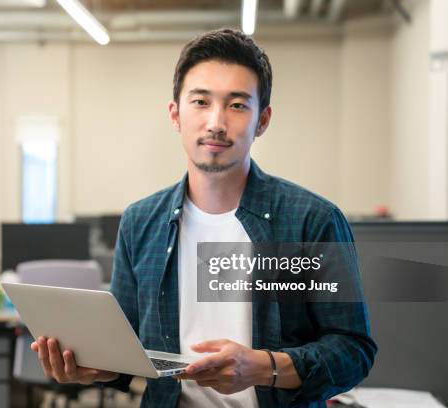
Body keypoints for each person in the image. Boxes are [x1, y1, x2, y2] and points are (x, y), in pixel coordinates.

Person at [31, 28, 377, 407]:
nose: (216, 121)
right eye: (200, 102)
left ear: (262, 120)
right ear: (175, 114)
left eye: (237, 105)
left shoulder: (312, 221)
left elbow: (353, 350)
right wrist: (90, 366)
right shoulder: (141, 222)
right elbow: (128, 354)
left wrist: (263, 367)